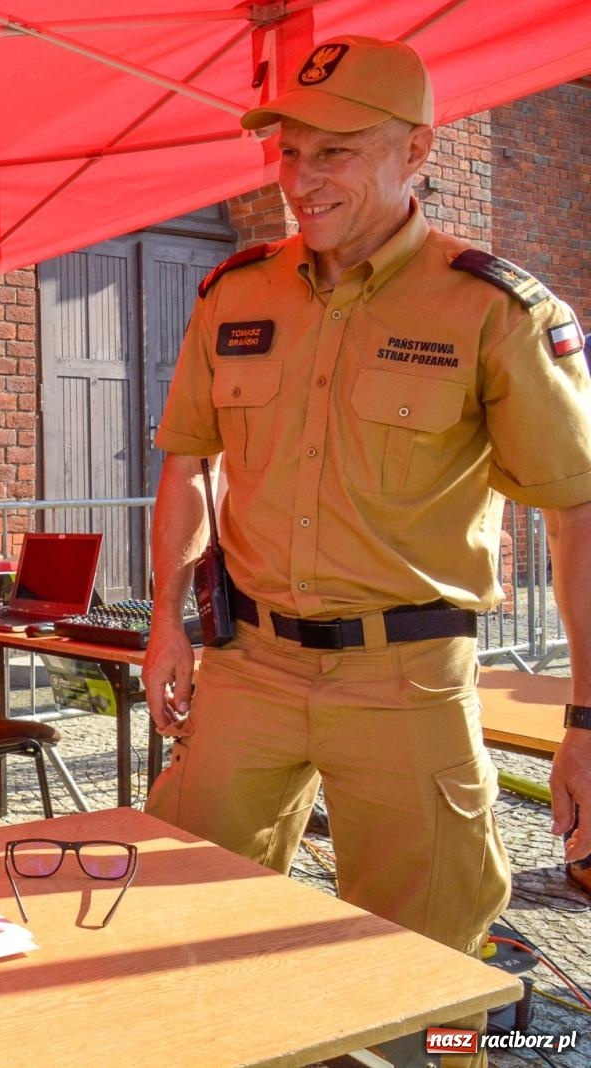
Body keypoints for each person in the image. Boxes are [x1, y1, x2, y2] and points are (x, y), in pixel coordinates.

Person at [142, 35, 591, 1052]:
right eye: (291, 152)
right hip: (246, 672)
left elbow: (576, 515)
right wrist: (167, 626)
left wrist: (586, 720)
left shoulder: (493, 310)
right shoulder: (235, 294)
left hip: (406, 684)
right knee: (182, 914)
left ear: (417, 149)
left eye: (335, 152)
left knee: (423, 980)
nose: (302, 179)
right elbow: (186, 466)